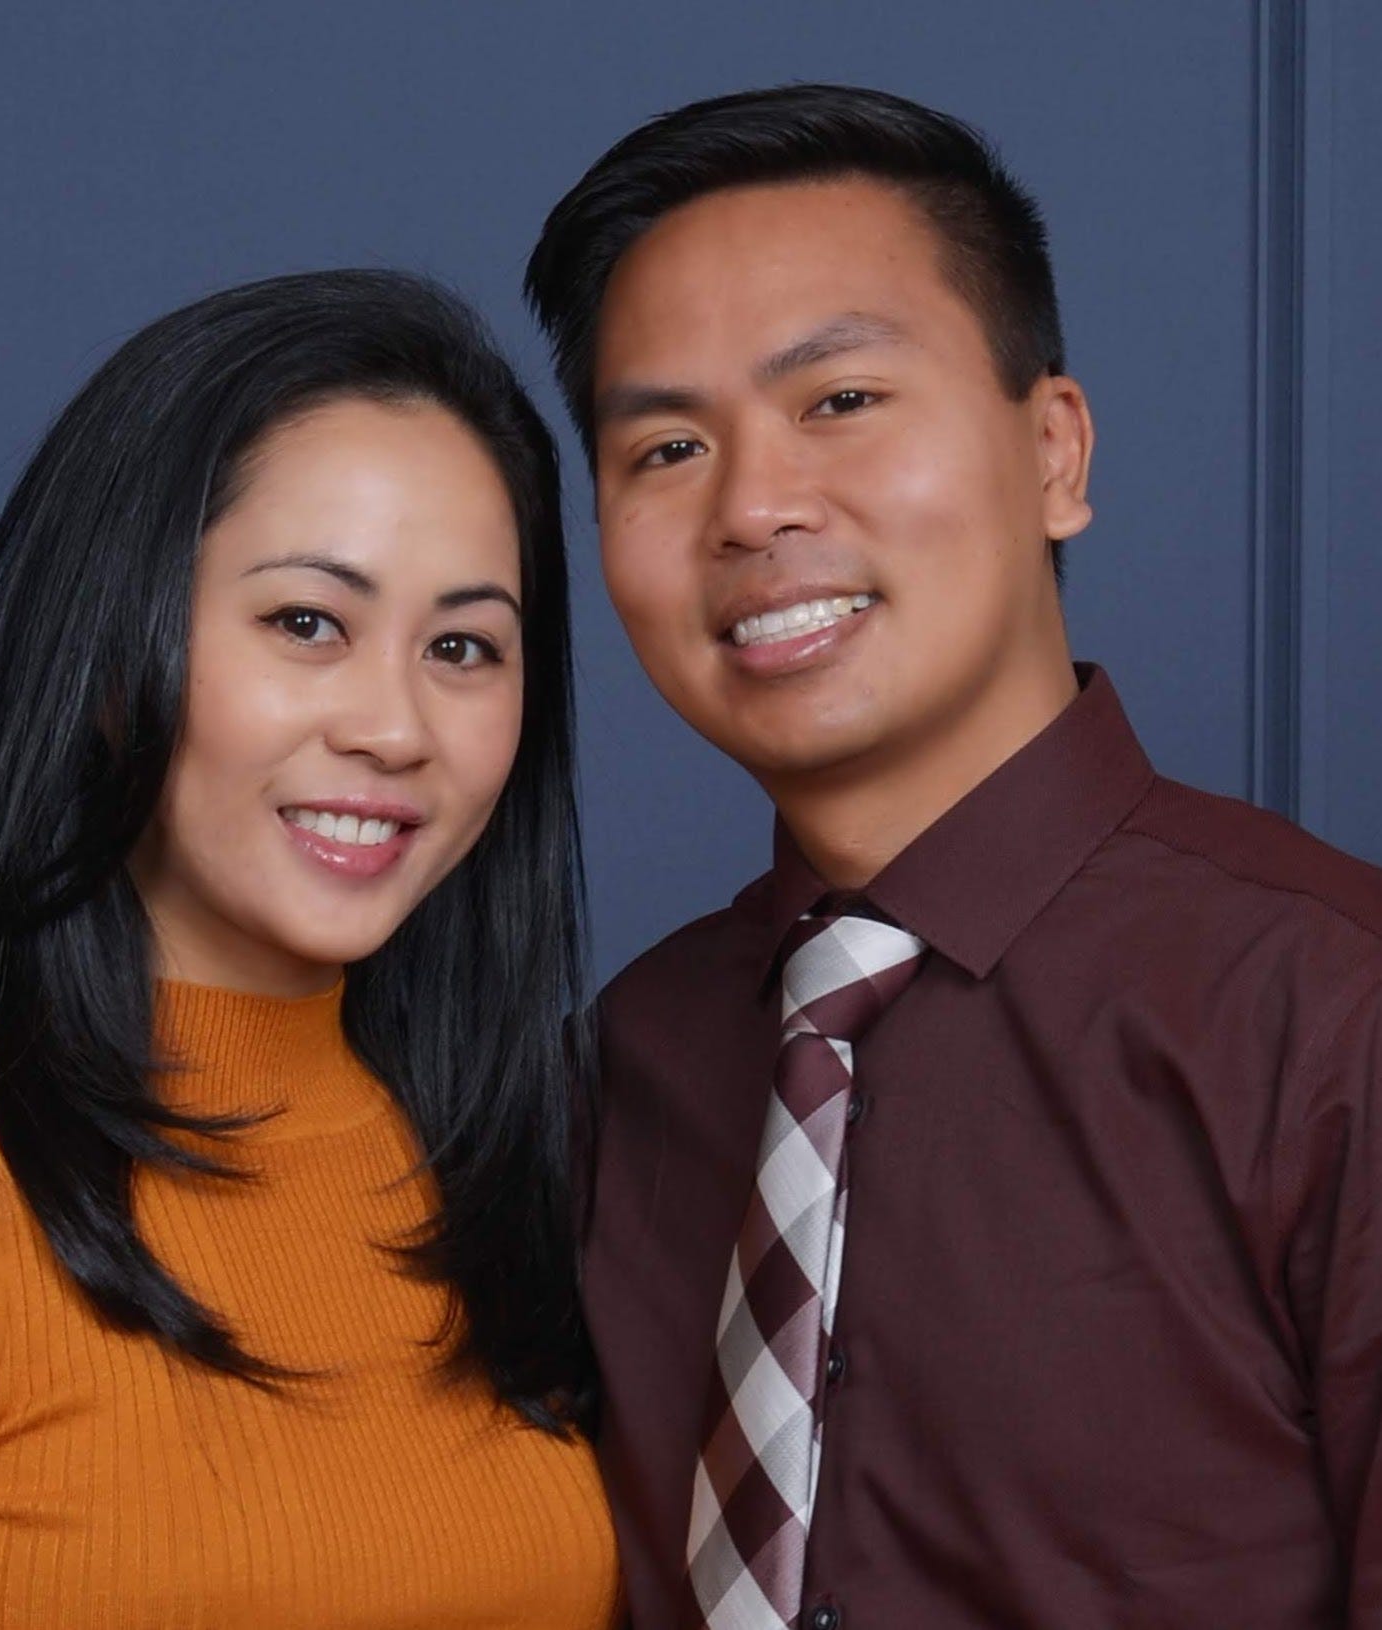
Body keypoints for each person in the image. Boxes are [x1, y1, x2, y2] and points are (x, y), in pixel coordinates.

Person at [524, 83, 1382, 1630]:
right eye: (663, 445)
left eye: (838, 399)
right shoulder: (624, 1069)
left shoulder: (1331, 1010)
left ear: (1052, 450)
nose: (753, 505)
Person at [0, 270, 620, 1628]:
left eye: (462, 645)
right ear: (109, 658)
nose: (395, 725)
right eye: (306, 623)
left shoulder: (517, 1157)